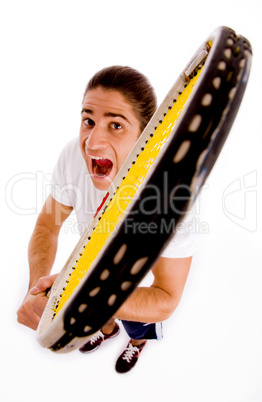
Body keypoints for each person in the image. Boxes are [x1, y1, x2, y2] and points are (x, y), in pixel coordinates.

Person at [17, 66, 196, 373]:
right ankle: (107, 329)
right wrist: (38, 292)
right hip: (92, 259)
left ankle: (136, 343)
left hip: (133, 279)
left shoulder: (174, 195)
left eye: (115, 125)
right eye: (88, 120)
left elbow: (166, 298)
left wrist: (80, 298)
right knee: (100, 313)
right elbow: (48, 226)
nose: (92, 142)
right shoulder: (73, 155)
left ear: (146, 136)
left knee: (136, 325)